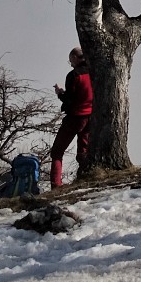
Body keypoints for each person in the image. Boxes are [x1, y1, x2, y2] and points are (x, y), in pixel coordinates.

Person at [51, 47, 93, 187]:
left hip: (75, 117)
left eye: (70, 61)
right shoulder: (94, 72)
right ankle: (85, 179)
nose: (71, 64)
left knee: (57, 151)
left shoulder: (74, 75)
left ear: (75, 58)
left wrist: (60, 93)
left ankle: (56, 184)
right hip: (90, 116)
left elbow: (70, 99)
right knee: (83, 151)